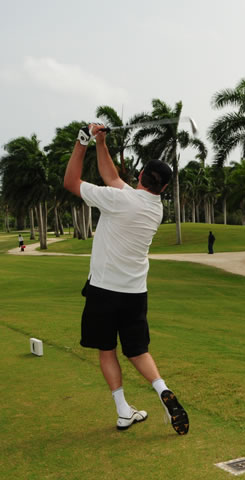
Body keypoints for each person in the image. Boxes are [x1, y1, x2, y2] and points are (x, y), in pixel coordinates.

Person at [63, 123, 189, 435]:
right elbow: (112, 178)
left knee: (107, 350)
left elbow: (71, 182)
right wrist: (101, 143)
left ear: (142, 176)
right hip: (135, 293)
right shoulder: (153, 207)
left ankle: (122, 409)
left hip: (103, 291)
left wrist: (82, 142)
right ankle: (161, 390)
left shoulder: (119, 200)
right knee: (137, 350)